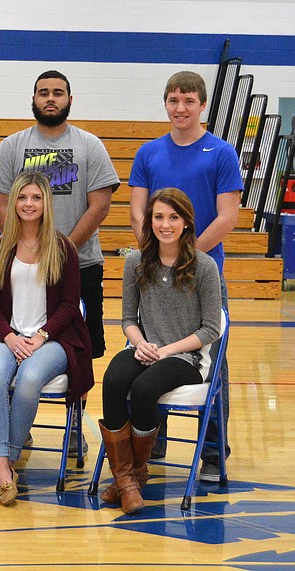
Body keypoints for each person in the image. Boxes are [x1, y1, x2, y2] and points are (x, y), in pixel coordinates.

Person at [0, 70, 119, 455]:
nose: (50, 99)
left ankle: (75, 420)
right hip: (21, 264)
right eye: (43, 93)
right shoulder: (12, 146)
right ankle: (16, 428)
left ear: (70, 100)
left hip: (80, 263)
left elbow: (101, 204)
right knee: (16, 342)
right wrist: (23, 245)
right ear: (33, 99)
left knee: (83, 346)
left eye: (58, 93)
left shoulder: (90, 145)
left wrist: (60, 252)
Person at [129, 71, 242, 481]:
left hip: (203, 273)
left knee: (211, 359)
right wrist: (159, 255)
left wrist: (185, 257)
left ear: (202, 105)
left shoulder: (221, 152)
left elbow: (228, 216)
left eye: (188, 101)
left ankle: (213, 451)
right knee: (154, 347)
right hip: (155, 275)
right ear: (165, 103)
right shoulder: (149, 153)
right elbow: (138, 212)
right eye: (173, 100)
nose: (180, 108)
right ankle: (150, 437)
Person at [0, 171, 94, 506]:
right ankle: (3, 466)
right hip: (7, 337)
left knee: (29, 378)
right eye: (22, 197)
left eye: (36, 197)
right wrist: (9, 337)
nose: (28, 204)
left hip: (53, 340)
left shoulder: (63, 247)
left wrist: (42, 335)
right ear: (13, 202)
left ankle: (2, 469)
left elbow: (70, 304)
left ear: (46, 203)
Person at [100, 188, 222, 514]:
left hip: (187, 356)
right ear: (149, 221)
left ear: (186, 223)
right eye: (158, 217)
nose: (165, 225)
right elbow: (128, 318)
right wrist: (140, 343)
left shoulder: (205, 266)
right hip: (145, 347)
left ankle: (131, 477)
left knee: (144, 388)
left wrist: (165, 350)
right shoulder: (135, 261)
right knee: (113, 380)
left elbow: (211, 329)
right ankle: (128, 479)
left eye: (173, 217)